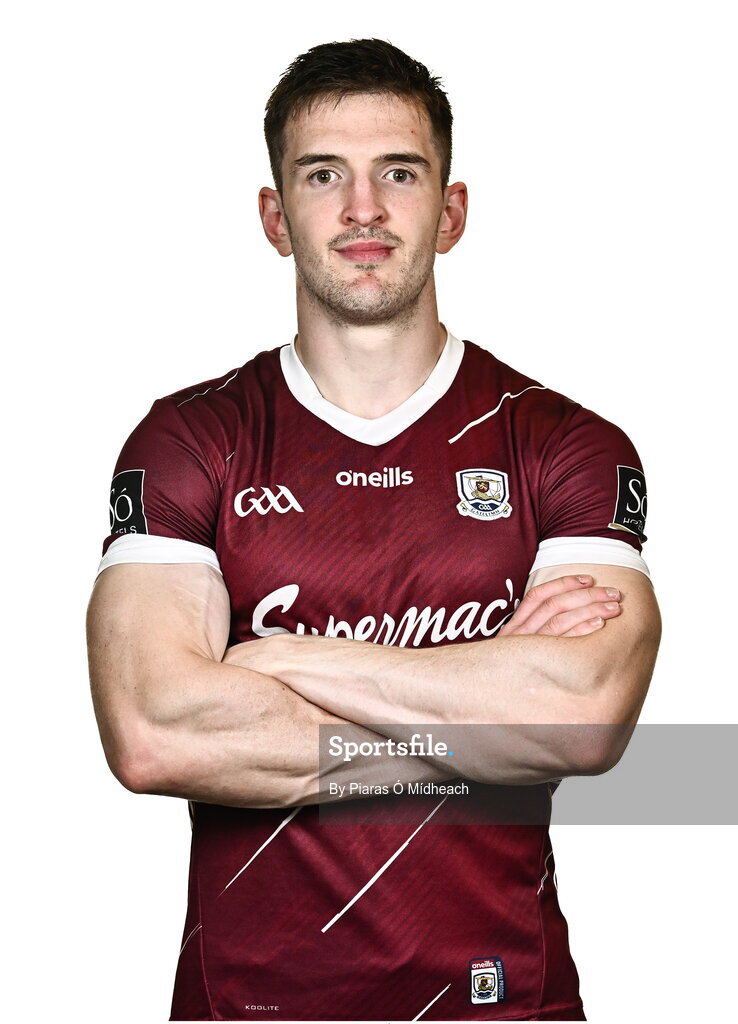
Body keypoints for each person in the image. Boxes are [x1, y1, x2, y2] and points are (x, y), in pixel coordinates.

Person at [87, 38, 661, 1022]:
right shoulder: (192, 439)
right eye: (324, 176)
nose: (364, 209)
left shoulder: (562, 442)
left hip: (505, 1002)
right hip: (246, 1007)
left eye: (398, 172)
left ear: (452, 212)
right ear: (276, 218)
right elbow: (152, 732)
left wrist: (275, 657)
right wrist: (480, 727)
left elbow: (585, 717)